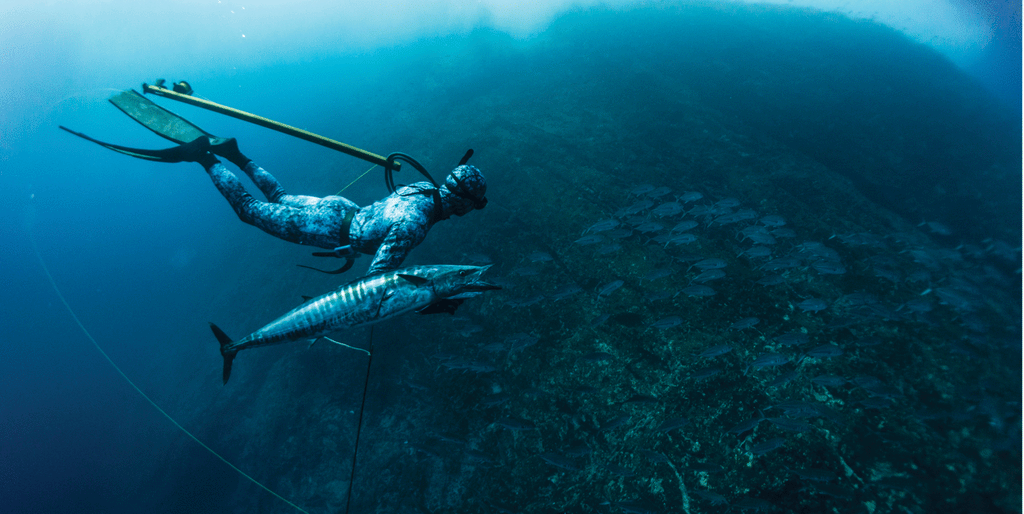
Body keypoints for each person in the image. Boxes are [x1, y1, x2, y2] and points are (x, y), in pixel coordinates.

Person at [174, 136, 487, 275]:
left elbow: (385, 219)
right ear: (463, 201)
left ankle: (235, 154)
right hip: (329, 229)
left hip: (342, 209)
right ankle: (205, 157)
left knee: (280, 196)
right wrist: (427, 299)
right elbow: (376, 277)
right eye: (474, 205)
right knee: (248, 209)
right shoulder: (414, 226)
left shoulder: (424, 186)